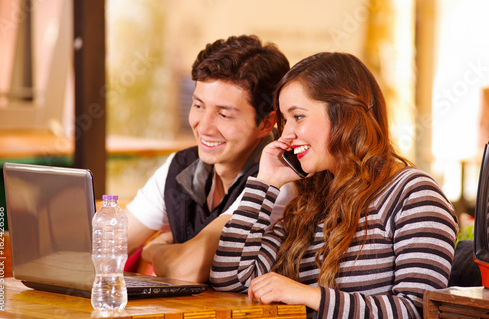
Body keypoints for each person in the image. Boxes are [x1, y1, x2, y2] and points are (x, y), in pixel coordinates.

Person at [210, 52, 458, 318]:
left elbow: (418, 311)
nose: (286, 135)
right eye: (285, 119)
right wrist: (266, 182)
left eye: (299, 117)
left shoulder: (413, 195)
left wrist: (309, 295)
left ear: (344, 114)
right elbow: (229, 280)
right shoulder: (307, 201)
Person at [125, 35, 293, 283]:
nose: (204, 127)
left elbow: (188, 270)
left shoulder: (278, 181)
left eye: (224, 115)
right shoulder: (182, 167)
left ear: (266, 123)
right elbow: (102, 246)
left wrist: (154, 250)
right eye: (199, 106)